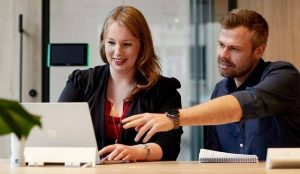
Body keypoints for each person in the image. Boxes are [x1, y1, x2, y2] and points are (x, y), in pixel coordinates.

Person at [122, 9, 300, 160]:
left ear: (258, 51)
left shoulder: (284, 75)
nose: (223, 55)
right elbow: (213, 156)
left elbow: (247, 102)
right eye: (221, 44)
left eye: (234, 49)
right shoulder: (220, 91)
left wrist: (173, 118)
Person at [58, 6, 183, 162]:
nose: (117, 52)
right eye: (111, 43)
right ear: (103, 42)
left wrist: (136, 152)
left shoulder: (163, 89)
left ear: (142, 46)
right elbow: (59, 132)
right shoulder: (81, 82)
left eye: (127, 44)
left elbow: (171, 145)